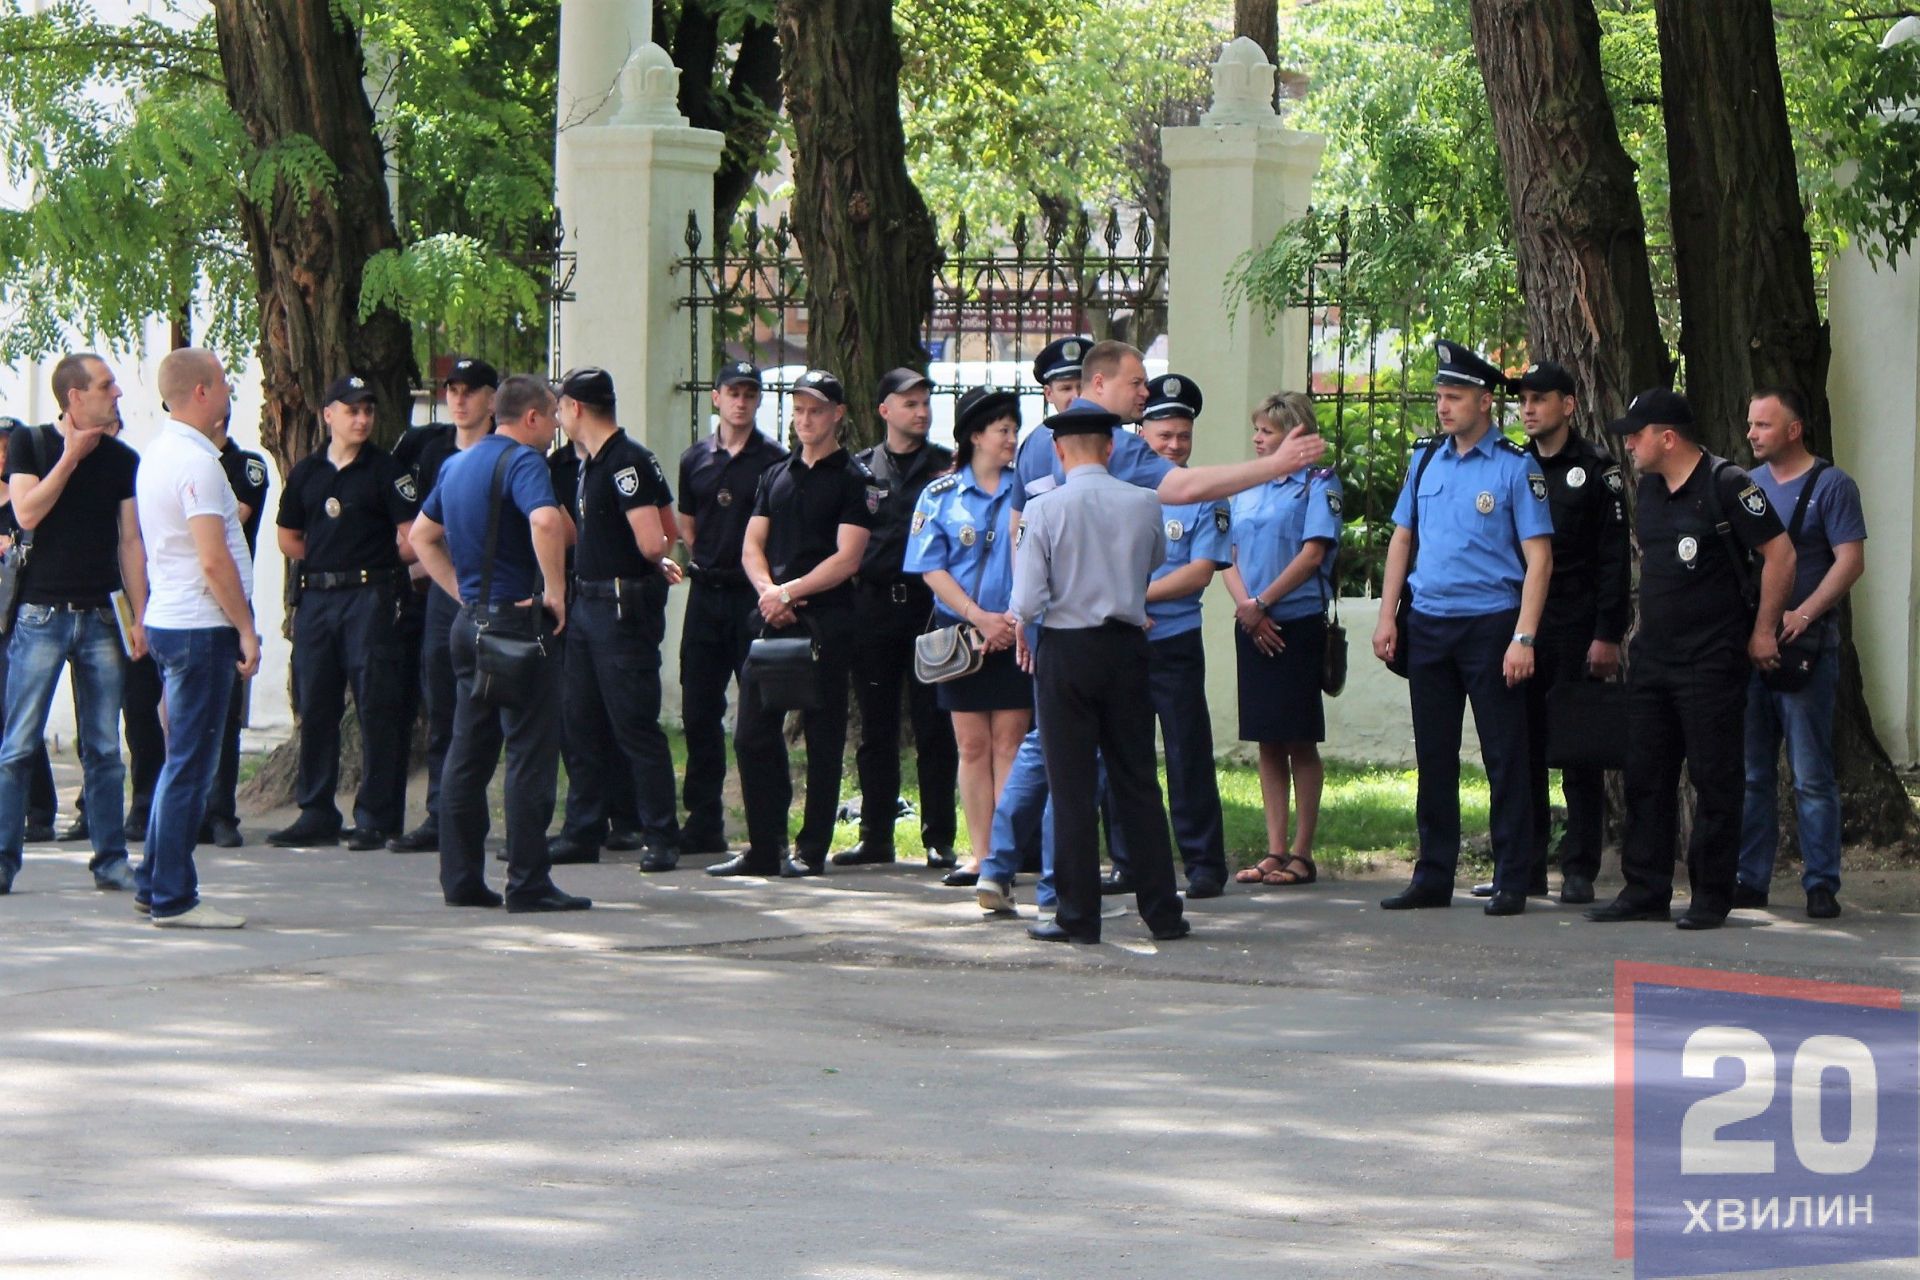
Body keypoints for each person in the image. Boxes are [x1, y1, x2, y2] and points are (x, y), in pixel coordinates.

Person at [972, 339, 1326, 906]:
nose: (1145, 392)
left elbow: (1021, 536)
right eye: (1136, 382)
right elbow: (1180, 494)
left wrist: (1023, 621)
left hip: (1060, 636)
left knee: (1055, 758)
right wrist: (1274, 466)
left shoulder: (1040, 445)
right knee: (1125, 769)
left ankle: (1020, 878)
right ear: (1099, 388)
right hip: (1114, 637)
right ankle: (1142, 902)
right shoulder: (1118, 461)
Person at [1586, 388, 1793, 930]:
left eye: (1636, 434)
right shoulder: (1649, 490)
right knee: (1646, 776)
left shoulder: (1728, 485)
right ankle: (1645, 889)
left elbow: (1781, 555)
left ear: (1668, 437)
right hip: (1655, 657)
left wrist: (1764, 630)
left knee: (1715, 778)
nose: (1628, 444)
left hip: (1712, 658)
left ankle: (1710, 896)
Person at [1371, 341, 1553, 917]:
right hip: (1429, 624)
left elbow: (1539, 558)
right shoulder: (1425, 460)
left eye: (1454, 397)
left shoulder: (1515, 466)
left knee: (1505, 755)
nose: (1443, 407)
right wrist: (1386, 614)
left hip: (1491, 626)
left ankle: (1512, 877)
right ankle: (1433, 875)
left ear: (1484, 401)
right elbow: (1403, 538)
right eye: (1439, 397)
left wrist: (1524, 636)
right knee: (1435, 754)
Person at [410, 374, 589, 913]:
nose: (557, 426)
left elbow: (420, 536)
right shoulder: (524, 462)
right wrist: (555, 592)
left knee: (468, 752)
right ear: (531, 418)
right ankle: (528, 881)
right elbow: (544, 520)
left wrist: (463, 594)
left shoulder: (457, 463)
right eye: (553, 416)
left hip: (470, 626)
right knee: (531, 753)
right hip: (517, 624)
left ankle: (460, 878)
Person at [1011, 405, 1188, 945]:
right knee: (1137, 779)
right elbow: (1153, 560)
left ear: (1060, 452)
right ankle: (1163, 911)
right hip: (1128, 646)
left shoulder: (1044, 509)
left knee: (1071, 787)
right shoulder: (1143, 501)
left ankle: (1078, 915)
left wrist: (1026, 623)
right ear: (1111, 448)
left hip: (1067, 649)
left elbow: (1028, 598)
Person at [1469, 361, 1630, 905]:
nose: (1530, 409)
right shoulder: (1512, 466)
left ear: (1568, 404)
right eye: (1524, 400)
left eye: (1541, 399)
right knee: (1521, 748)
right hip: (1519, 627)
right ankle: (1524, 865)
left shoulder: (1597, 470)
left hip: (1577, 629)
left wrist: (1608, 634)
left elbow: (1613, 562)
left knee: (1579, 750)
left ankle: (1580, 866)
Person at [710, 368, 873, 879]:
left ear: (837, 415)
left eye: (817, 410)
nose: (806, 419)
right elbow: (751, 545)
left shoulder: (853, 479)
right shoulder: (775, 475)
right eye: (799, 409)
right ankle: (764, 846)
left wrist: (791, 592)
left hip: (825, 620)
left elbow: (848, 558)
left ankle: (811, 849)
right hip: (773, 618)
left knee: (823, 737)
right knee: (751, 735)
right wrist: (769, 592)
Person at [0, 353, 148, 896]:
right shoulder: (31, 444)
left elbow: (130, 541)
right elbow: (27, 513)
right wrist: (70, 458)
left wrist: (141, 616)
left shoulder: (123, 458)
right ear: (74, 397)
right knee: (17, 745)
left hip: (101, 616)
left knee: (105, 748)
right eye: (106, 386)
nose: (117, 395)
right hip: (41, 616)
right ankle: (3, 859)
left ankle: (111, 860)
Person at [133, 349, 262, 928]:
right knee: (191, 765)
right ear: (204, 392)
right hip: (199, 626)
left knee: (177, 762)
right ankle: (173, 896)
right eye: (224, 382)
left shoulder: (158, 454)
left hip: (170, 617)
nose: (230, 390)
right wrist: (245, 627)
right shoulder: (199, 464)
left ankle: (152, 882)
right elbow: (213, 560)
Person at [269, 375, 419, 850]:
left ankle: (377, 816)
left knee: (377, 705)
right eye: (352, 410)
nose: (362, 419)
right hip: (317, 599)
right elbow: (288, 536)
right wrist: (328, 556)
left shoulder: (386, 470)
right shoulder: (308, 473)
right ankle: (316, 810)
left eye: (368, 410)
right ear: (328, 414)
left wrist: (370, 561)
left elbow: (412, 537)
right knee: (316, 705)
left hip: (368, 598)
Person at [546, 367, 683, 871]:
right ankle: (583, 829)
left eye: (561, 406)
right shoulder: (593, 462)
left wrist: (654, 555)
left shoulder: (626, 462)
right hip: (588, 604)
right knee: (578, 720)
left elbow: (655, 537)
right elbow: (671, 527)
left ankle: (660, 835)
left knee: (633, 725)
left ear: (577, 408)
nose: (558, 415)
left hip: (620, 608)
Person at [1737, 386, 1864, 920]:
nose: (1752, 434)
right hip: (1752, 646)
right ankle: (1749, 878)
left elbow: (1849, 560)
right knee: (1752, 773)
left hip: (1808, 648)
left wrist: (1804, 612)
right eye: (1751, 425)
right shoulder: (1747, 487)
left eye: (1764, 425)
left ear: (1794, 430)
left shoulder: (1832, 486)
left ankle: (1820, 884)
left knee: (1812, 774)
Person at [903, 386, 1029, 911]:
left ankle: (1006, 858)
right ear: (975, 436)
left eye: (1013, 428)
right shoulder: (940, 496)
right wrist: (979, 616)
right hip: (966, 639)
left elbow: (1041, 555)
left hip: (1017, 633)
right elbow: (931, 568)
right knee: (973, 748)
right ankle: (979, 855)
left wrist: (1015, 618)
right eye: (1002, 429)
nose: (1011, 438)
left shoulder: (1030, 489)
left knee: (1012, 748)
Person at [834, 367, 960, 870]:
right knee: (876, 727)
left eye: (925, 402)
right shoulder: (861, 470)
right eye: (909, 403)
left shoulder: (946, 468)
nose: (921, 411)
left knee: (936, 726)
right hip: (874, 608)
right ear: (885, 410)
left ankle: (938, 837)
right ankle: (875, 835)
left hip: (931, 609)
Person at [1222, 391, 1343, 889]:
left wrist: (1264, 603)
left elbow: (1314, 554)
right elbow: (1224, 553)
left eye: (1268, 432)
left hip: (1294, 624)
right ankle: (1273, 849)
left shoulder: (1318, 483)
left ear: (1295, 434)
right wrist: (1247, 610)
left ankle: (1301, 852)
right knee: (1266, 740)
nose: (1257, 439)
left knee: (1298, 738)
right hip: (1252, 624)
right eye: (1257, 431)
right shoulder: (1245, 488)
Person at [1121, 373, 1230, 899]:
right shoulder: (1117, 489)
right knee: (1125, 753)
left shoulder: (1203, 495)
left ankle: (1204, 862)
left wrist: (1134, 598)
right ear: (1142, 433)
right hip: (1122, 641)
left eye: (1183, 437)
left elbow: (1201, 570)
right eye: (1164, 435)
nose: (1175, 446)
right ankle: (1129, 861)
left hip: (1175, 640)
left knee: (1187, 751)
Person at [677, 362, 787, 856]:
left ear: (758, 400)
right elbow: (687, 525)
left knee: (761, 712)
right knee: (699, 709)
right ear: (716, 399)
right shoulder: (694, 459)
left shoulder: (775, 461)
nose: (741, 401)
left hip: (751, 598)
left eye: (749, 393)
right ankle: (703, 821)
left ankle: (769, 824)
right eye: (732, 393)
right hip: (706, 595)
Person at [387, 356, 497, 854]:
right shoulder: (430, 451)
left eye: (470, 390)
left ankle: (478, 815)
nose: (458, 398)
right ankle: (440, 814)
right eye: (452, 389)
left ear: (492, 399)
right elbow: (416, 531)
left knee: (495, 708)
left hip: (497, 592)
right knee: (442, 706)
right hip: (443, 594)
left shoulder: (509, 451)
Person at [200, 412, 271, 849]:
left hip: (226, 594)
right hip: (182, 597)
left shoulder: (244, 464)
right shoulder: (178, 459)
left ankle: (221, 811)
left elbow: (229, 521)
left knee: (226, 710)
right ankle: (189, 811)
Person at [0, 422, 59, 842]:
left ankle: (38, 810)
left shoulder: (22, 503)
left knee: (18, 715)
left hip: (16, 617)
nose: (2, 456)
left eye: (6, 447)